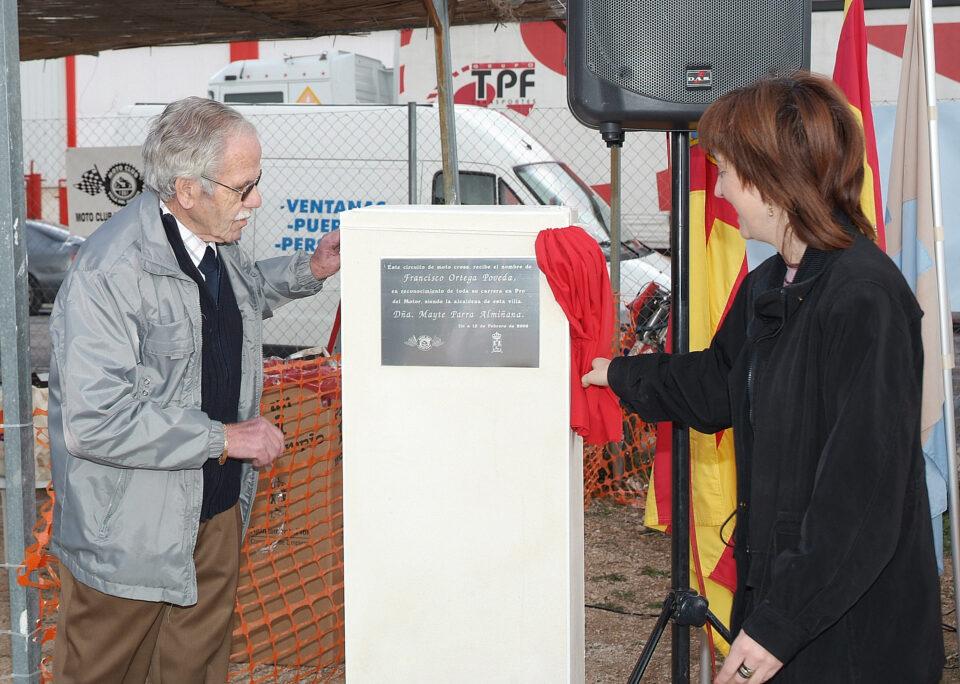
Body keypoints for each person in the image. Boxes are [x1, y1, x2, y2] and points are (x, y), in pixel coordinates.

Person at [582, 71, 944, 684]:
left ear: (770, 178)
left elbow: (861, 495)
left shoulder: (864, 297)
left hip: (848, 632)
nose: (719, 189)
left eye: (724, 170)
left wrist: (780, 625)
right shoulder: (772, 282)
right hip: (784, 589)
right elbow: (718, 385)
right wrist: (616, 374)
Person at [47, 96, 341, 683]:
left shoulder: (214, 245)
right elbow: (96, 420)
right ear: (186, 188)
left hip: (215, 515)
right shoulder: (111, 273)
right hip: (129, 537)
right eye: (242, 187)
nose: (256, 201)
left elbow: (242, 297)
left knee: (194, 672)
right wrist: (224, 437)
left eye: (256, 182)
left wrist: (309, 270)